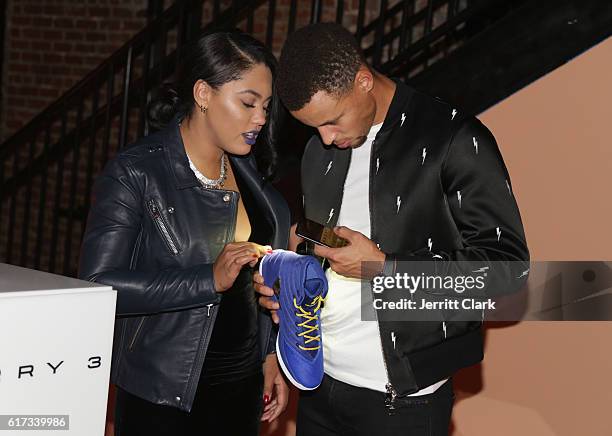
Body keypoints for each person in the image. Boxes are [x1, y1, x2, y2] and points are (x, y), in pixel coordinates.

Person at [254, 23, 529, 436]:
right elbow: (328, 240)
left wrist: (384, 268)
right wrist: (290, 270)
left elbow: (508, 276)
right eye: (314, 128)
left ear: (363, 82)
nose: (325, 139)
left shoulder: (453, 140)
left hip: (403, 402)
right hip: (318, 386)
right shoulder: (321, 151)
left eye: (332, 121)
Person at [79, 30, 290, 436]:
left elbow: (258, 288)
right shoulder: (136, 173)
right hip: (163, 396)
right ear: (203, 93)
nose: (261, 118)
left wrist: (269, 355)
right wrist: (207, 279)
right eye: (248, 103)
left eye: (265, 106)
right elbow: (97, 285)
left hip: (242, 390)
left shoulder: (251, 177)